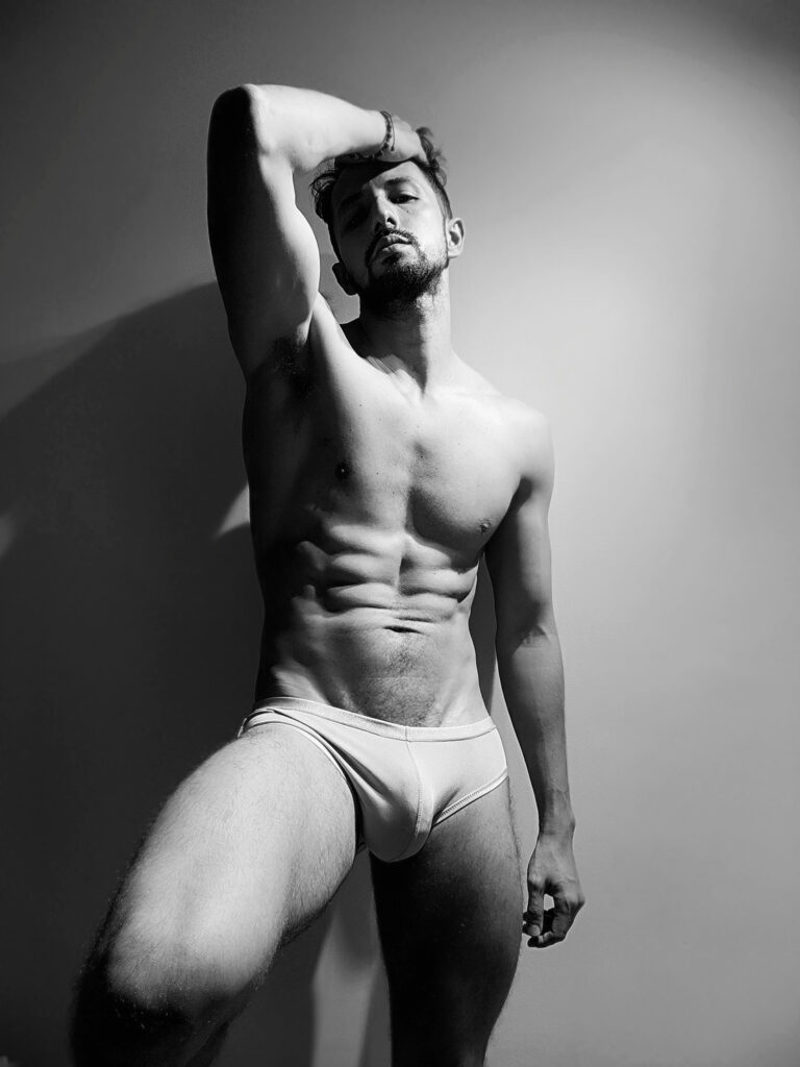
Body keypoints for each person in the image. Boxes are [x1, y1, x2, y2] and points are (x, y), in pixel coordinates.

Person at [71, 84, 585, 1067]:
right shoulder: (299, 361)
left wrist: (557, 823)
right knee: (149, 994)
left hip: (463, 764)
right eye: (353, 212)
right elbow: (249, 123)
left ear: (452, 231)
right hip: (316, 732)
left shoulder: (518, 434)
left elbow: (528, 629)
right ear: (337, 263)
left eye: (404, 194)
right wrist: (395, 137)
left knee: (448, 1055)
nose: (381, 213)